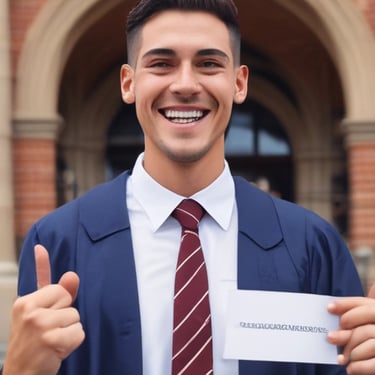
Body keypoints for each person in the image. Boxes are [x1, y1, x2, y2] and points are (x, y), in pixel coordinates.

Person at [2, 0, 375, 374]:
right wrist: (20, 369)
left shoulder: (312, 246)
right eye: (161, 63)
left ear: (238, 82)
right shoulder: (59, 242)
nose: (184, 85)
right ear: (129, 83)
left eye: (208, 64)